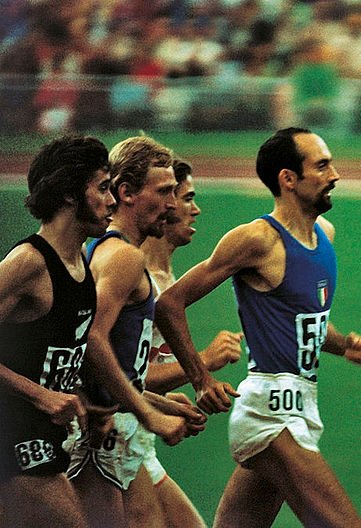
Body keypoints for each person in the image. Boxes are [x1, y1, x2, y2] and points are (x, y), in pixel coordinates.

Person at [155, 127, 361, 528]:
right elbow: (169, 304)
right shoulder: (257, 239)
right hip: (271, 412)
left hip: (302, 408)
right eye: (322, 165)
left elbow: (301, 324)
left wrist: (344, 345)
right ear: (288, 179)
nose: (335, 175)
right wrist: (201, 378)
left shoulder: (324, 235)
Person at [67, 136, 206, 528]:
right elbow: (91, 340)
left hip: (111, 426)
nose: (174, 205)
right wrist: (148, 413)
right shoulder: (124, 256)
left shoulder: (104, 249)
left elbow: (106, 357)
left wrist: (159, 402)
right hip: (106, 433)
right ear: (125, 193)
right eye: (164, 192)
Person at [0, 135, 115, 528]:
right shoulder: (29, 262)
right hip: (12, 434)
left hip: (44, 436)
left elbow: (48, 355)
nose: (112, 201)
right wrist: (43, 396)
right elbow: (41, 383)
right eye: (102, 188)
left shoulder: (80, 266)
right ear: (69, 194)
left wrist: (84, 400)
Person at [125, 158, 244, 528]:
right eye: (185, 196)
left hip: (139, 443)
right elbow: (113, 369)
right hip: (114, 442)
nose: (193, 208)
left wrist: (165, 402)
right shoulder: (134, 275)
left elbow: (139, 371)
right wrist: (203, 361)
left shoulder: (165, 277)